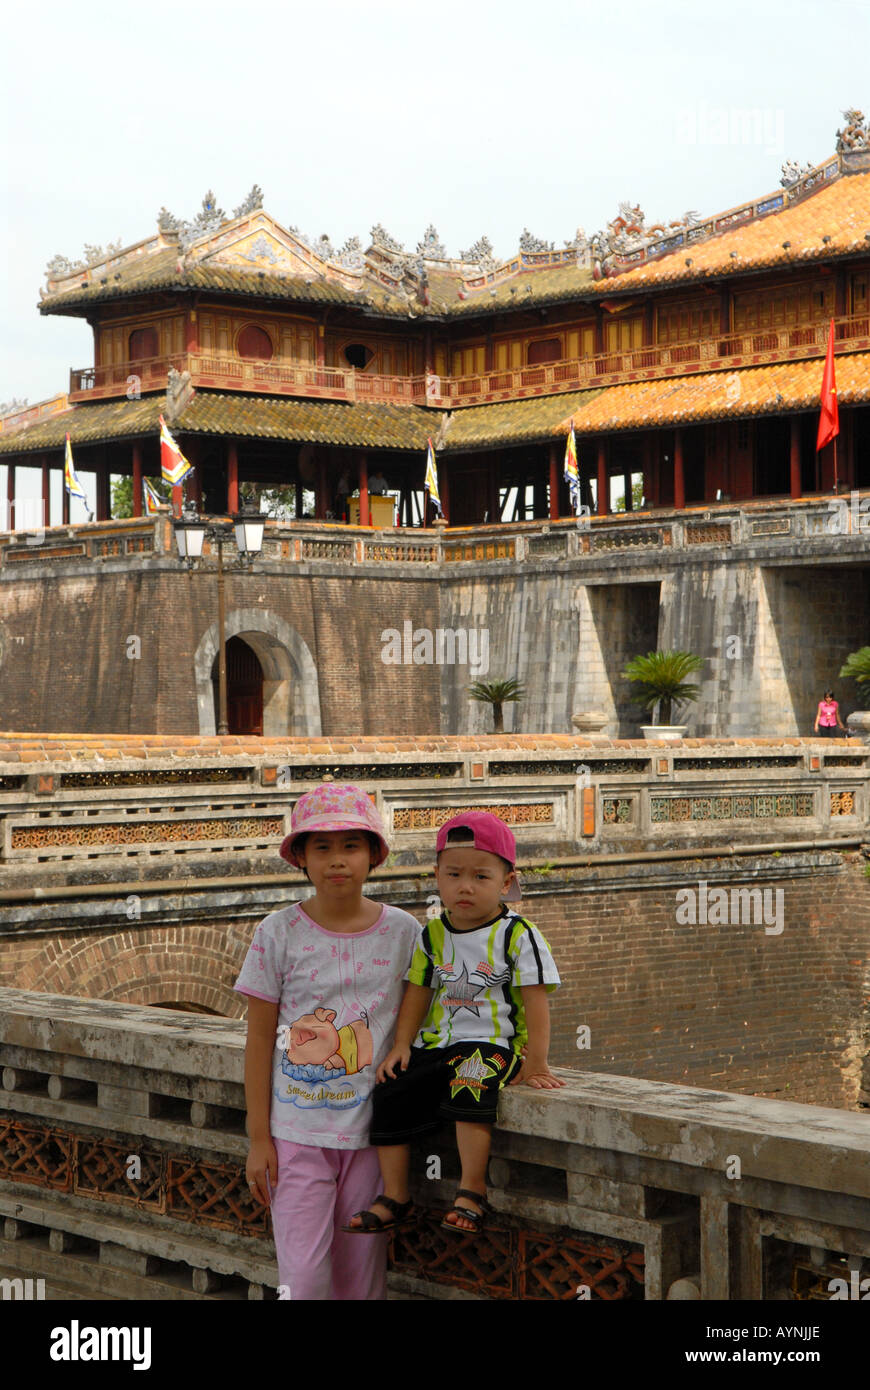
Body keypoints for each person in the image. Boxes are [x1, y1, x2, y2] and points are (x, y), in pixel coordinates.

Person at [234, 783, 419, 1300]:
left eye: (351, 846)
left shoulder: (404, 932)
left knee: (363, 1278)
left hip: (374, 1139)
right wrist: (258, 1137)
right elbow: (257, 1041)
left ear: (373, 855)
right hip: (296, 1134)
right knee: (306, 1279)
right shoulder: (279, 932)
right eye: (322, 848)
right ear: (301, 858)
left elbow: (422, 1022)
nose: (338, 861)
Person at [345, 811, 563, 1238]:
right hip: (439, 1043)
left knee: (470, 1083)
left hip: (492, 1043)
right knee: (390, 1092)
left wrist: (536, 1064)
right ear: (437, 877)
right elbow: (419, 991)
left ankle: (472, 1189)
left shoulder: (518, 935)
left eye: (481, 877)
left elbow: (536, 1004)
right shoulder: (432, 935)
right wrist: (403, 1044)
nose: (465, 886)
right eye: (454, 874)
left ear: (505, 882)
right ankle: (395, 1195)